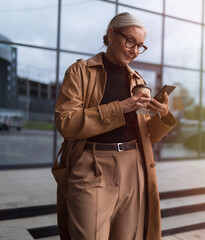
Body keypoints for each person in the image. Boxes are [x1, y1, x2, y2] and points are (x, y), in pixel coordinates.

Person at [53, 12, 176, 240]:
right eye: (130, 41)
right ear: (111, 34)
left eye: (140, 45)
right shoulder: (80, 72)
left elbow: (149, 135)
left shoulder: (138, 81)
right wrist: (122, 107)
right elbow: (66, 122)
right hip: (92, 166)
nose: (135, 50)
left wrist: (163, 113)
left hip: (133, 166)